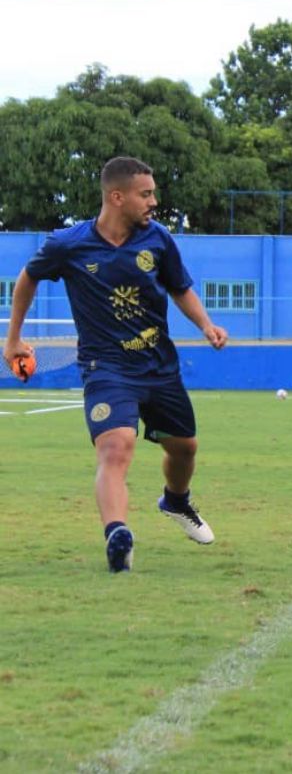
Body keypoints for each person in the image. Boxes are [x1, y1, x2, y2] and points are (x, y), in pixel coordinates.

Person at [2, 157, 226, 573]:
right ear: (117, 197)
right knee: (115, 447)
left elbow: (181, 288)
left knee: (184, 448)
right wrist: (13, 339)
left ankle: (175, 501)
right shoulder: (68, 244)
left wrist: (207, 324)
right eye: (146, 194)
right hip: (106, 367)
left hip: (159, 365)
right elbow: (27, 278)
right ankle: (117, 535)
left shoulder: (158, 239)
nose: (154, 202)